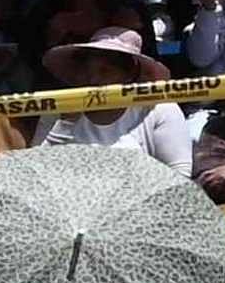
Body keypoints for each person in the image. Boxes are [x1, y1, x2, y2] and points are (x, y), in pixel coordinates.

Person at [36, 23, 203, 177]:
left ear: (129, 75)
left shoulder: (158, 109)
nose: (93, 79)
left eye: (105, 71)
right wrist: (65, 123)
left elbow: (179, 174)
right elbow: (35, 170)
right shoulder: (59, 107)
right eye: (87, 70)